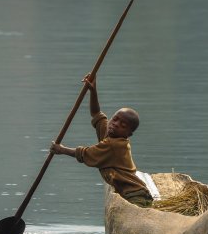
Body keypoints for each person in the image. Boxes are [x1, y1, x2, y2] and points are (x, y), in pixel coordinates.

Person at [50, 74, 153, 208]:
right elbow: (96, 113)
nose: (115, 124)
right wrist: (93, 90)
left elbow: (85, 153)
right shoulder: (109, 134)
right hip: (128, 193)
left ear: (128, 134)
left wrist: (61, 150)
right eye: (115, 119)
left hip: (135, 196)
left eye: (123, 125)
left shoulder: (115, 145)